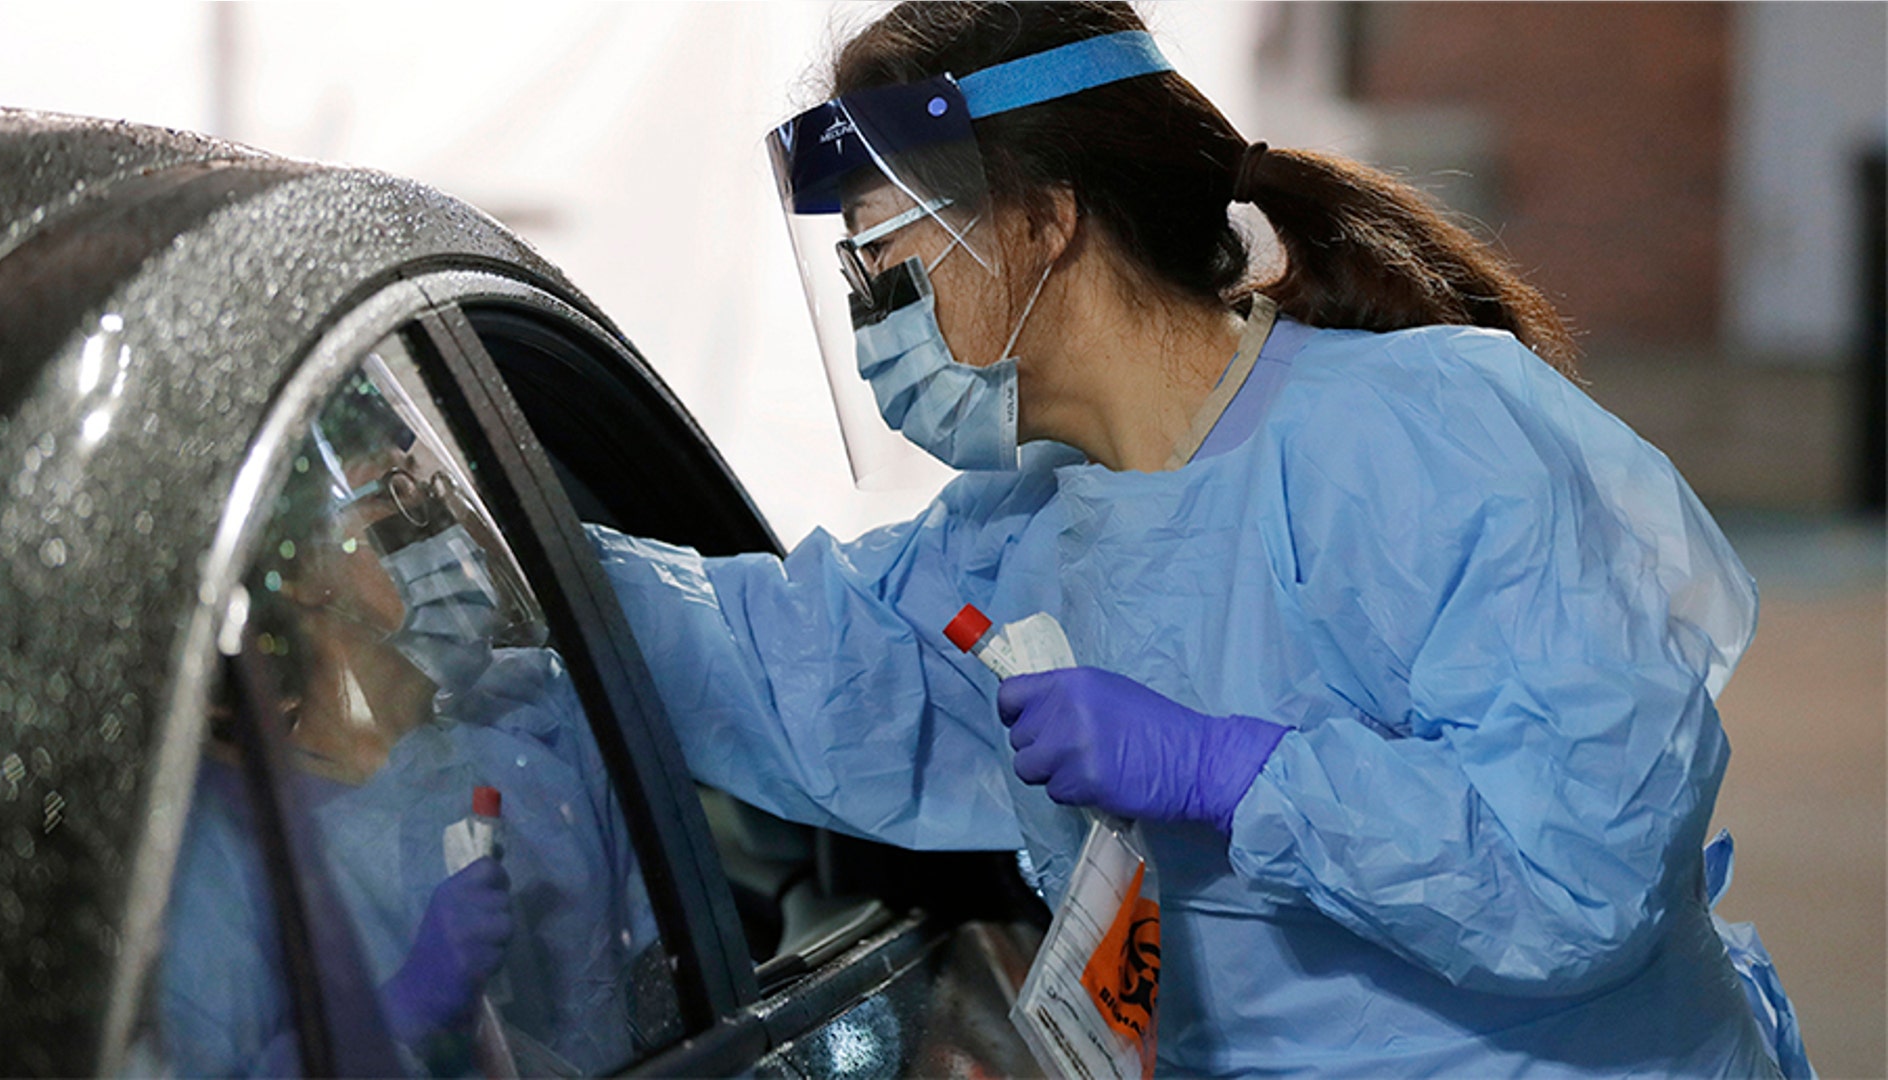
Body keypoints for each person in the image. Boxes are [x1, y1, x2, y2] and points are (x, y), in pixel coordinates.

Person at [594, 2, 1812, 1076]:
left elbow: (1582, 874)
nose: (874, 318)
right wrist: (459, 560)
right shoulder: (1020, 535)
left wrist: (1236, 771)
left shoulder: (1427, 439)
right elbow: (780, 666)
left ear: (1041, 225)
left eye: (887, 254)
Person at [161, 369, 656, 1078]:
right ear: (298, 574)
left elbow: (660, 983)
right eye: (398, 517)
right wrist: (397, 1013)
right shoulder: (226, 864)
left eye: (433, 505)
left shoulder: (531, 735)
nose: (447, 547)